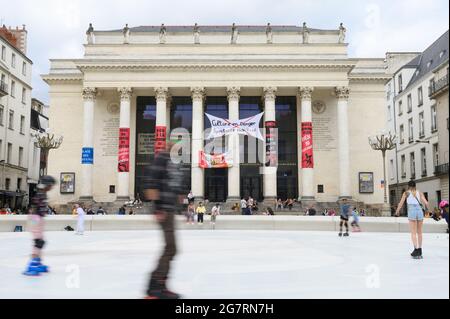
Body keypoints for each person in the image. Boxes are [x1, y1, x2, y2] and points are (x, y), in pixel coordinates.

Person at [143, 140, 184, 299]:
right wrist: (158, 208)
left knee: (171, 248)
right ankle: (155, 288)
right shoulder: (162, 158)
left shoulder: (172, 162)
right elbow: (151, 182)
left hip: (170, 209)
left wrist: (181, 203)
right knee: (170, 248)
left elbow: (173, 185)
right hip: (164, 209)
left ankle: (159, 286)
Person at [23, 176, 56, 276]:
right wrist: (35, 222)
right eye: (51, 185)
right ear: (47, 185)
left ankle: (38, 263)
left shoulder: (42, 193)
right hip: (35, 219)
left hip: (38, 219)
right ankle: (31, 265)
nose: (52, 187)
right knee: (38, 242)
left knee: (40, 242)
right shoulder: (40, 193)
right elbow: (34, 209)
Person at [395, 180, 430, 259]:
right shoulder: (419, 192)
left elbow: (401, 203)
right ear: (415, 185)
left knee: (413, 232)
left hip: (412, 211)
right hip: (419, 211)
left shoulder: (406, 193)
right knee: (420, 232)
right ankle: (420, 249)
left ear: (408, 186)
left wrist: (397, 211)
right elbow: (426, 203)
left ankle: (415, 249)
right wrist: (428, 210)